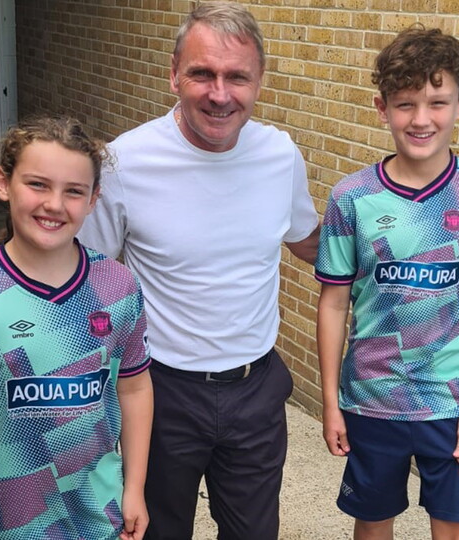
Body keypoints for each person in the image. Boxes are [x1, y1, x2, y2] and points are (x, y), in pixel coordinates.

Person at [78, 2, 320, 538]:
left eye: (237, 76)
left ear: (259, 81)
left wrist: (392, 253)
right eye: (201, 73)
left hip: (256, 389)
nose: (219, 93)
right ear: (173, 75)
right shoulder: (126, 162)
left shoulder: (280, 156)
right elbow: (85, 277)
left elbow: (308, 242)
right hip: (160, 393)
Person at [314, 26, 459, 540]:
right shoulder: (352, 197)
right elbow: (334, 304)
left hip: (453, 403)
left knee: (457, 530)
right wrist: (329, 401)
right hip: (372, 396)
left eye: (437, 101)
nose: (422, 119)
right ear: (382, 108)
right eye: (406, 104)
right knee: (373, 522)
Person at [0, 116, 153, 540]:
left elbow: (134, 388)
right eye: (37, 184)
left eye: (74, 191)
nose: (54, 204)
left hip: (98, 518)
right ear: (3, 182)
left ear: (94, 199)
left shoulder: (118, 287)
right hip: (5, 522)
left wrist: (134, 488)